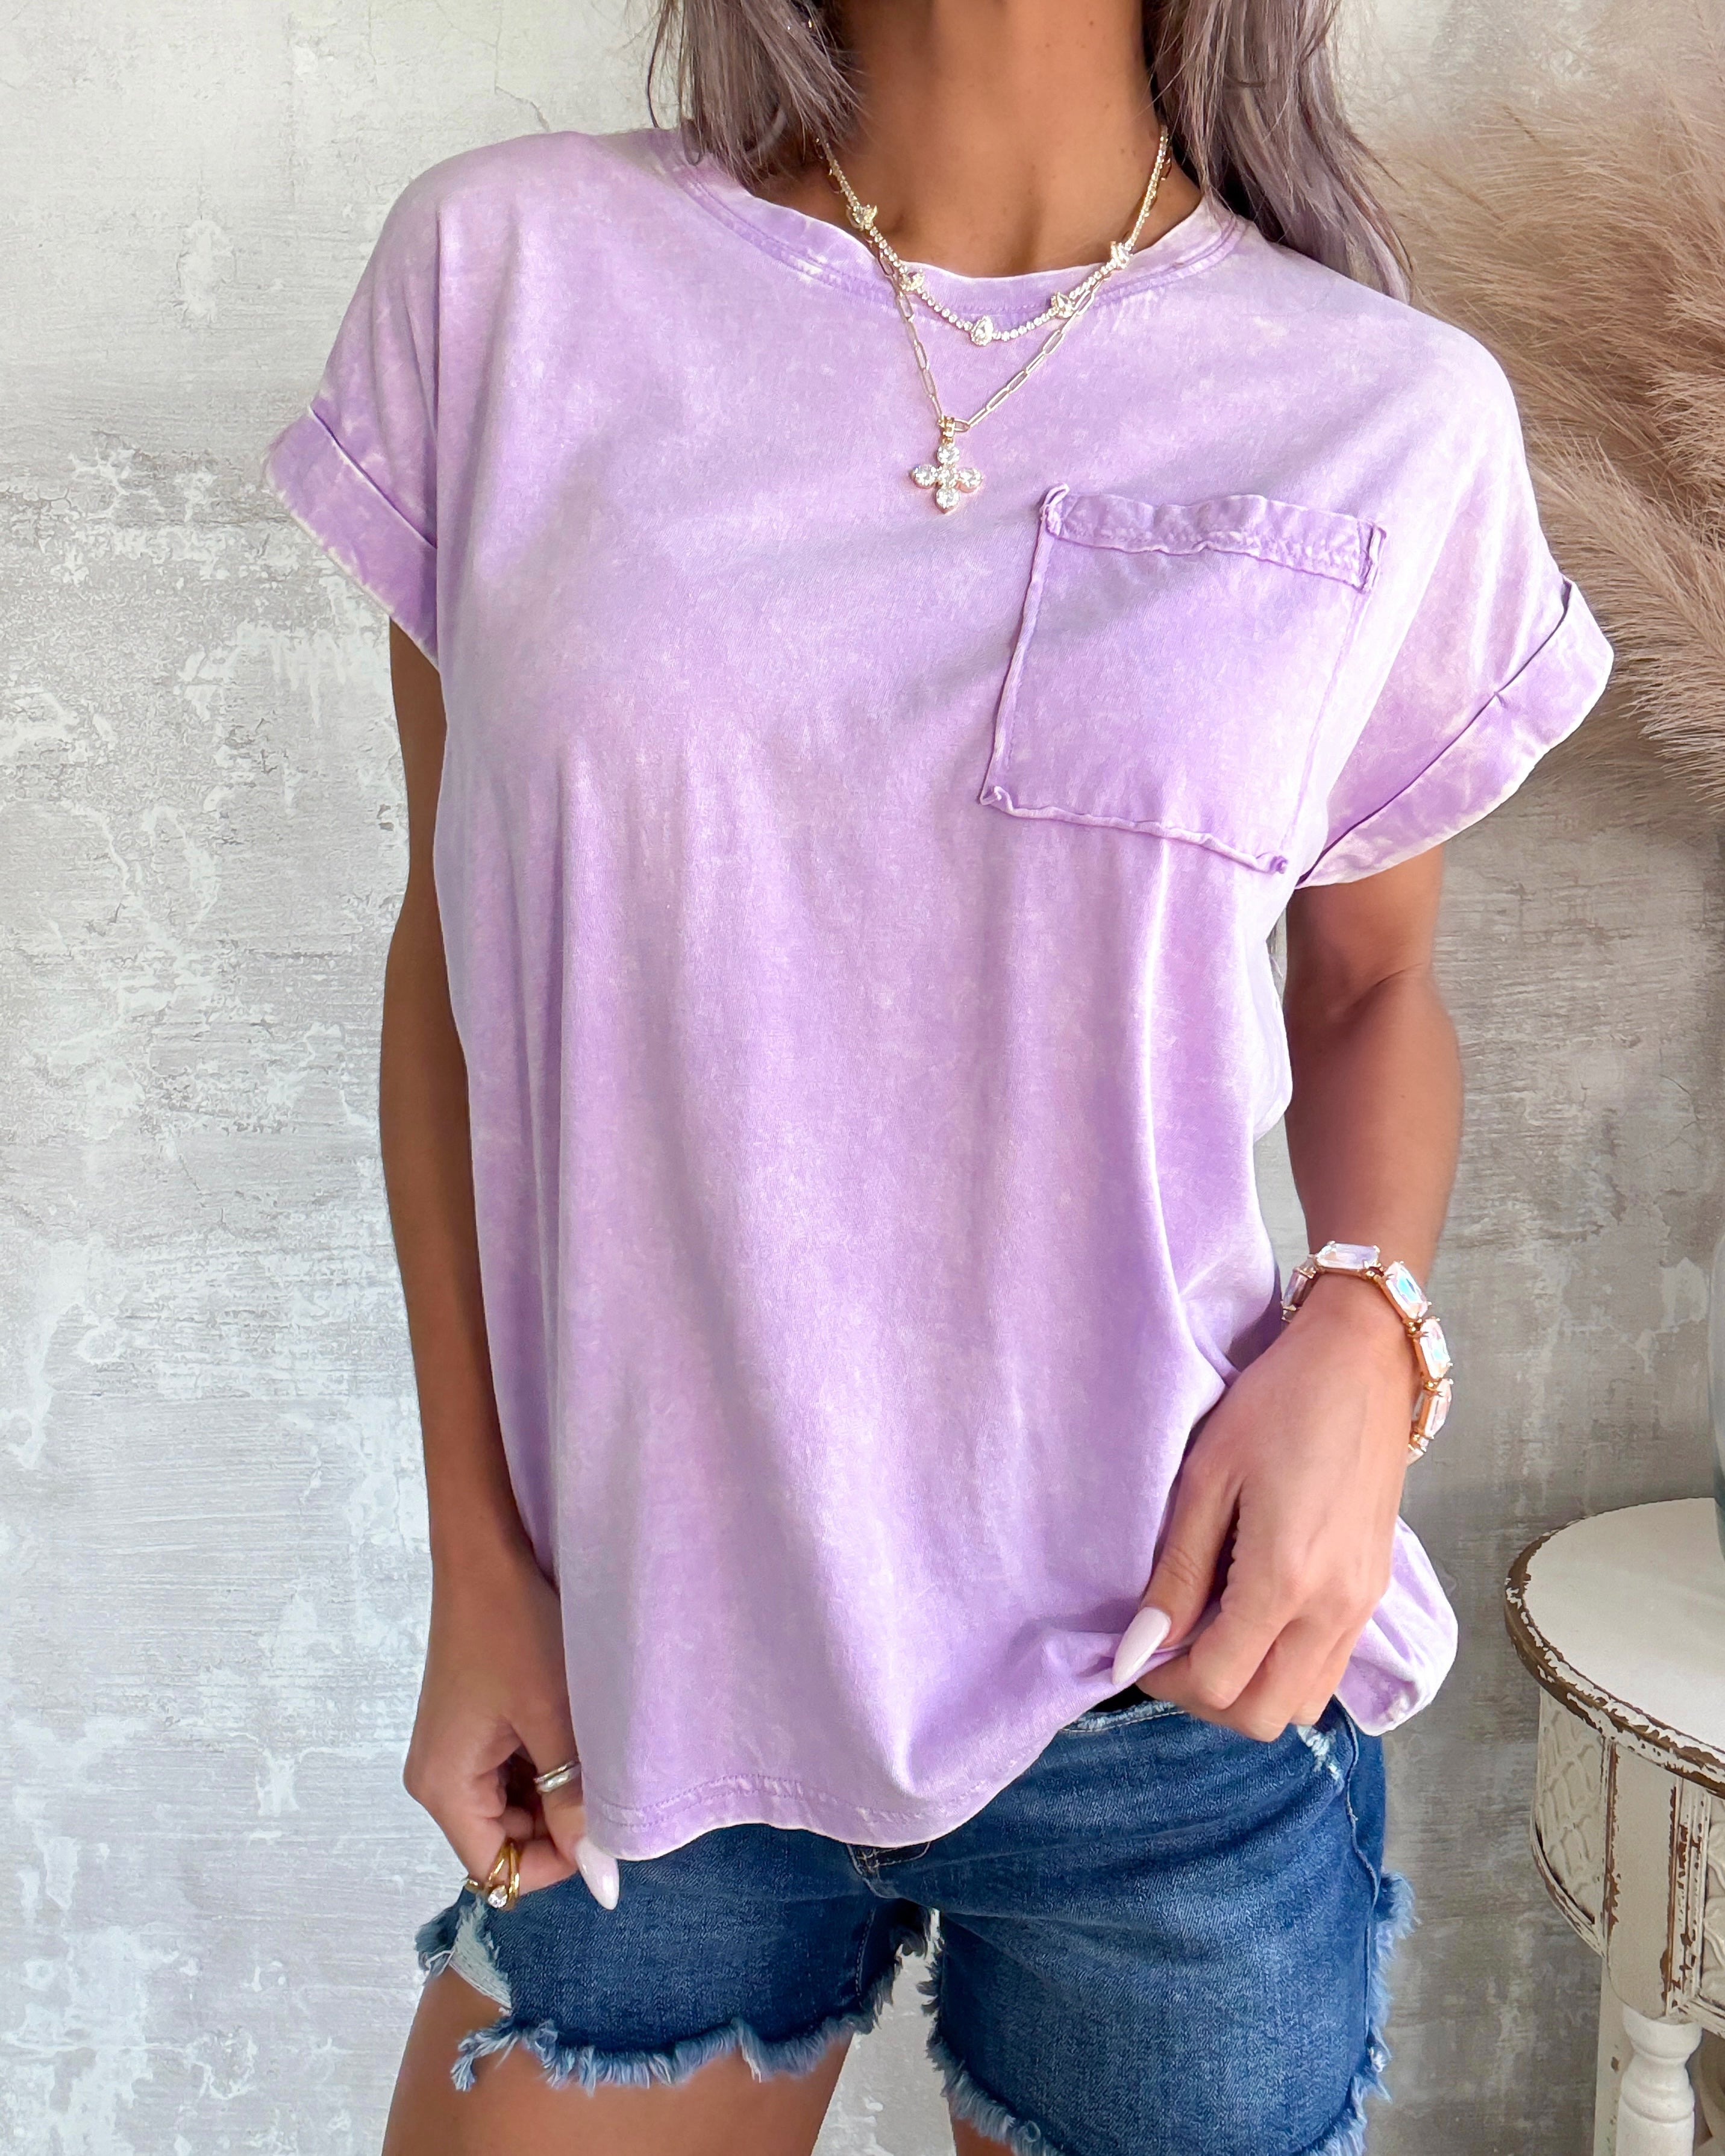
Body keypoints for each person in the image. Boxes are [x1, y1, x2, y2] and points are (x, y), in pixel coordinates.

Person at [260, 2, 1613, 2150]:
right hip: (640, 1666)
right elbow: (454, 958)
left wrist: (1372, 1332)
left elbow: (1372, 988)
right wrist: (478, 1556)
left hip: (1175, 1667)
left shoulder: (1384, 410)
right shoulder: (508, 282)